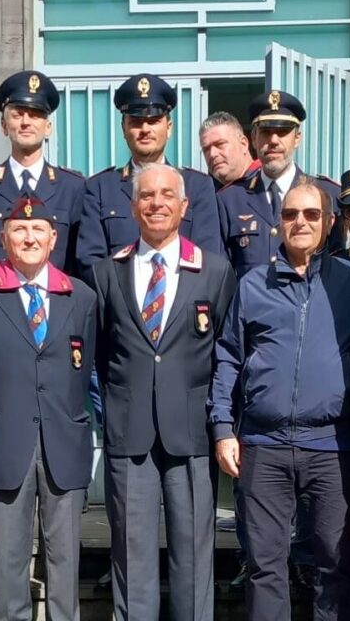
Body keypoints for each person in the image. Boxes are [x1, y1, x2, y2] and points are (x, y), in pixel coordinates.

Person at [209, 178, 350, 621]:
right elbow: (228, 357)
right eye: (289, 214)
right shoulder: (252, 285)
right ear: (277, 224)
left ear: (328, 223)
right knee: (265, 565)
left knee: (334, 563)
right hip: (263, 447)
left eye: (310, 214)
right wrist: (224, 428)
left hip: (335, 448)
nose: (299, 222)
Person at [90, 163, 237, 620]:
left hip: (190, 432)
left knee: (193, 555)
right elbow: (98, 355)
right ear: (133, 207)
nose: (157, 203)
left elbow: (226, 354)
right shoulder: (105, 273)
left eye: (167, 195)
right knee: (131, 557)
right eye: (147, 196)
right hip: (128, 432)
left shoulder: (214, 271)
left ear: (184, 205)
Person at [0, 196, 98, 621]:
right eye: (19, 230)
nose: (29, 237)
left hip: (63, 442)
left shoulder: (81, 297)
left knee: (65, 561)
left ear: (53, 238)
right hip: (3, 443)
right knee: (8, 561)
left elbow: (85, 370)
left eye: (38, 230)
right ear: (3, 238)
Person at [78, 73, 223, 274]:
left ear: (169, 127)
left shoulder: (197, 186)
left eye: (154, 120)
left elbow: (209, 259)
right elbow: (89, 263)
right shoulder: (100, 188)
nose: (145, 129)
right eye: (136, 122)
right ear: (123, 128)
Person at [217, 89, 342, 278]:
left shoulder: (327, 195)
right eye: (266, 132)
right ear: (254, 139)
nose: (273, 141)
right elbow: (222, 275)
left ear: (297, 138)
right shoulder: (230, 200)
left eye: (283, 132)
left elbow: (338, 266)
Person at [0, 70, 86, 273]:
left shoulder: (74, 187)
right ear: (4, 126)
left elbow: (80, 260)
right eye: (17, 115)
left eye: (35, 115)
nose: (25, 122)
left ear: (48, 127)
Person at [199, 111, 259, 191]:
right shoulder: (209, 195)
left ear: (243, 144)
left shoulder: (268, 182)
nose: (212, 154)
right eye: (206, 149)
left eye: (220, 144)